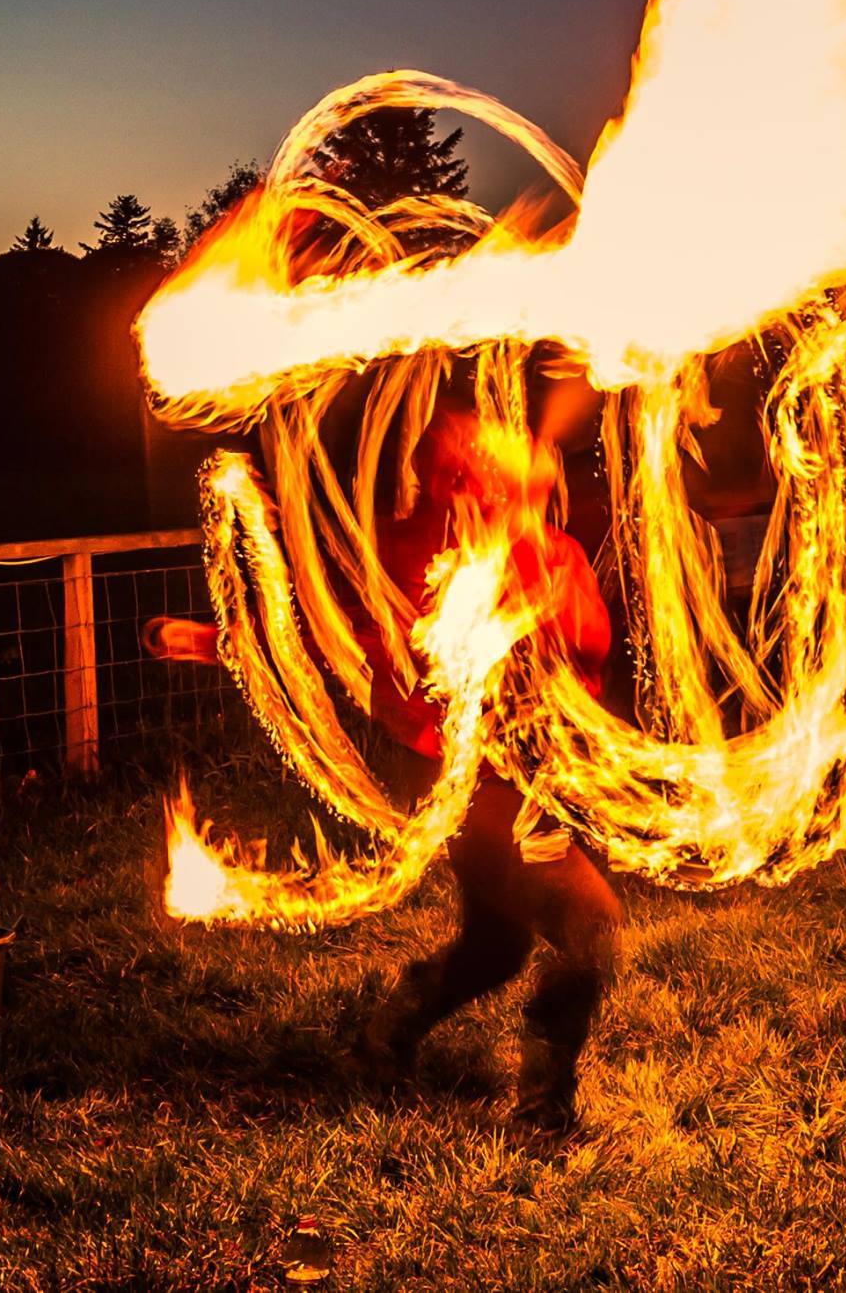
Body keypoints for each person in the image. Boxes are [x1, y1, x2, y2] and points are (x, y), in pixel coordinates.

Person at [362, 381, 621, 1138]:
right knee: (591, 927)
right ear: (462, 483)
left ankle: (387, 1031)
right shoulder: (434, 559)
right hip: (484, 785)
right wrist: (213, 643)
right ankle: (544, 1111)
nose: (526, 440)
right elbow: (337, 634)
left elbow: (585, 646)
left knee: (496, 944)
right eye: (497, 443)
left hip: (554, 772)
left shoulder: (545, 543)